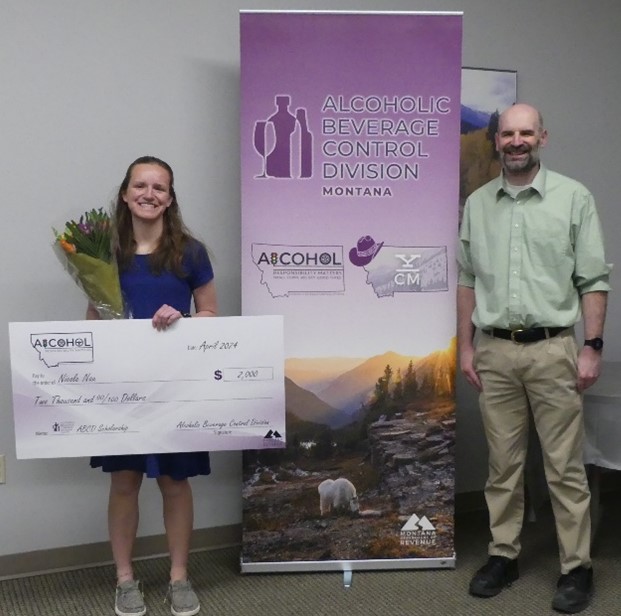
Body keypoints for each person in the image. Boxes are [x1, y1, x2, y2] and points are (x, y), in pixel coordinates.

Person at [457, 104, 610, 614]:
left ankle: (576, 568)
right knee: (502, 465)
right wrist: (465, 345)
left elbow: (593, 280)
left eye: (526, 132)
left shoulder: (573, 198)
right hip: (495, 350)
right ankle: (504, 554)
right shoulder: (478, 204)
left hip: (553, 350)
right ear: (495, 141)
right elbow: (467, 280)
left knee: (564, 468)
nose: (517, 141)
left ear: (542, 136)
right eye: (507, 133)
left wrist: (591, 347)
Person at [87, 156, 217, 616]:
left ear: (170, 197)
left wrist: (184, 319)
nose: (149, 193)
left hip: (174, 385)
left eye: (159, 187)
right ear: (125, 193)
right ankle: (125, 580)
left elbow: (210, 316)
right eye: (140, 185)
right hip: (122, 387)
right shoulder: (102, 252)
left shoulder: (190, 252)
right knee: (124, 481)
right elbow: (92, 321)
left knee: (175, 482)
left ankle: (178, 578)